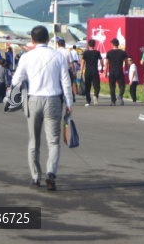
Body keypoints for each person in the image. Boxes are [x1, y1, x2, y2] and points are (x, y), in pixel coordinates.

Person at [11, 26, 72, 191]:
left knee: (34, 141)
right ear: (48, 39)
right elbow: (66, 82)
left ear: (32, 40)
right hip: (53, 100)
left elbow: (15, 81)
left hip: (34, 100)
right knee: (53, 142)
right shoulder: (58, 56)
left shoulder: (26, 57)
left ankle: (35, 178)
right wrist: (69, 103)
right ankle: (51, 174)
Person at [104, 39, 127, 106]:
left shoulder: (109, 52)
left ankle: (113, 101)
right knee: (122, 85)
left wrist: (105, 72)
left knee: (112, 87)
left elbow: (107, 63)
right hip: (119, 71)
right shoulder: (122, 52)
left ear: (113, 44)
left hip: (111, 71)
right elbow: (126, 61)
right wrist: (127, 69)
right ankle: (120, 95)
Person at [80, 40, 102, 106]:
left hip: (87, 71)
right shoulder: (97, 52)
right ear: (94, 45)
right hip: (94, 71)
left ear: (88, 45)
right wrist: (100, 66)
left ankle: (88, 101)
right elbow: (101, 60)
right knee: (96, 85)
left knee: (87, 86)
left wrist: (81, 71)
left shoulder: (86, 53)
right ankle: (95, 95)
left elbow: (83, 62)